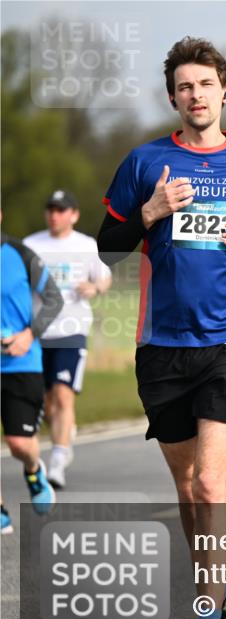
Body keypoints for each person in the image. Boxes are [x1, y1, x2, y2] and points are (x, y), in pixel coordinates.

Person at [96, 37, 226, 619]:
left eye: (205, 84)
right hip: (161, 345)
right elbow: (108, 245)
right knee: (187, 488)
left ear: (224, 91)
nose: (195, 95)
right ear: (172, 97)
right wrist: (149, 211)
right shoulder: (144, 161)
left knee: (211, 481)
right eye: (184, 86)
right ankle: (219, 592)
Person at [24, 190, 113, 488]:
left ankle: (58, 462)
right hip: (37, 331)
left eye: (61, 210)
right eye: (50, 209)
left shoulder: (86, 246)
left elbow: (104, 277)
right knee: (44, 402)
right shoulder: (30, 245)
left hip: (71, 329)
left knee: (63, 394)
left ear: (73, 214)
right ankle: (64, 431)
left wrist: (95, 287)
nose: (54, 215)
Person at [2, 216, 64, 535]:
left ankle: (33, 469)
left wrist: (29, 334)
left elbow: (55, 299)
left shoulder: (20, 253)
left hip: (21, 364)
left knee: (18, 443)